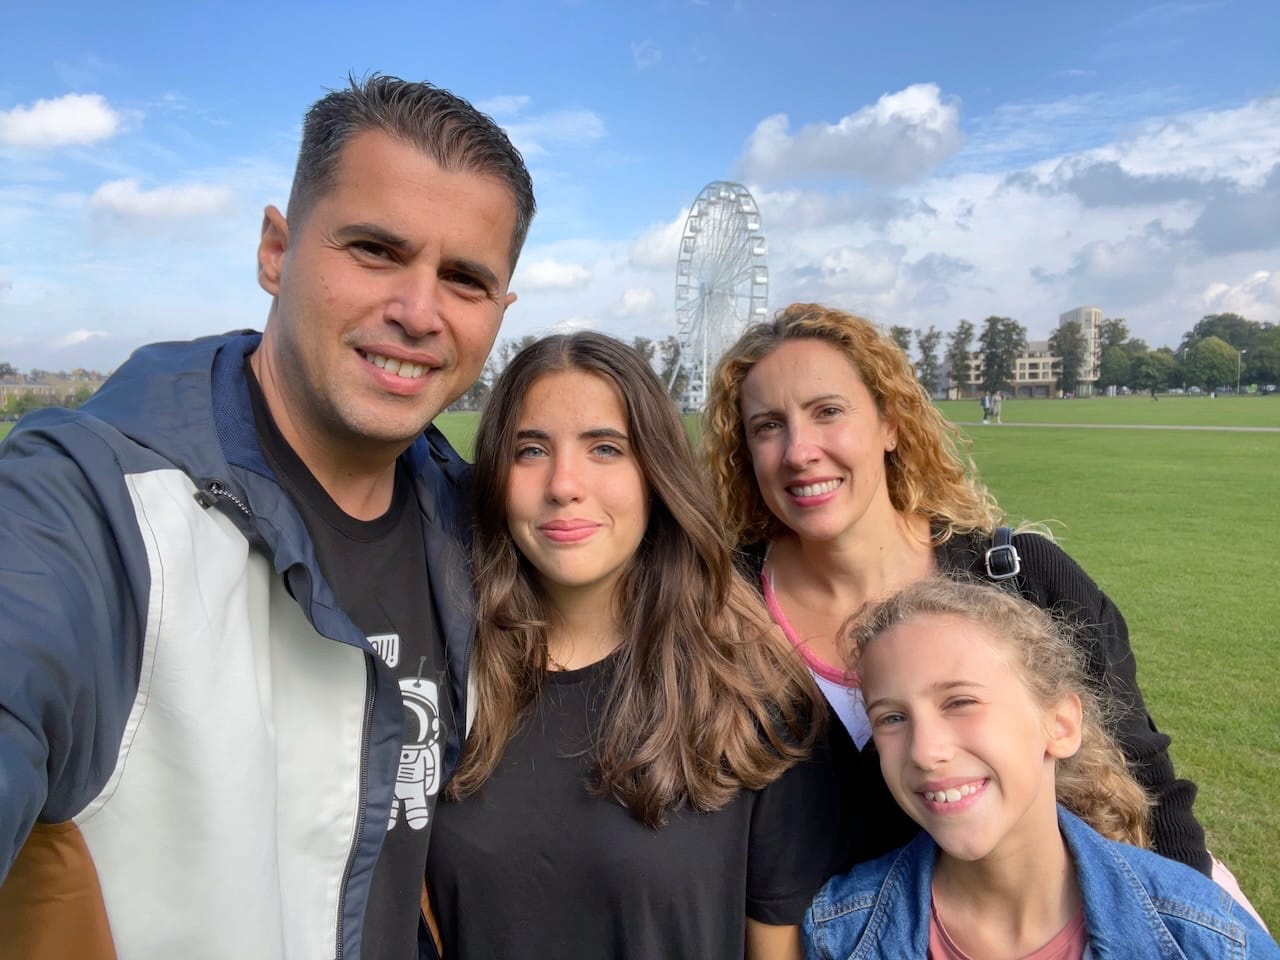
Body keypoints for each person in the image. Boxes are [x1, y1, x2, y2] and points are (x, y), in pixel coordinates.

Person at [0, 75, 534, 959]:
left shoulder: (474, 529)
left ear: (500, 312)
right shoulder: (90, 511)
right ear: (275, 251)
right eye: (375, 250)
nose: (418, 312)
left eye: (465, 279)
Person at [701, 303, 1211, 873]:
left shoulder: (1023, 578)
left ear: (890, 424)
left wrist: (1190, 910)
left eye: (828, 412)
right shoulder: (714, 606)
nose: (799, 451)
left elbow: (1148, 783)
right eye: (768, 426)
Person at [426, 332, 845, 959]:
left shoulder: (753, 694)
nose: (564, 484)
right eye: (531, 450)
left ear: (655, 474)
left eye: (605, 448)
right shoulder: (437, 675)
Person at [803, 577, 1279, 959]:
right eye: (892, 718)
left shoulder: (1204, 936)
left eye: (960, 702)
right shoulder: (840, 932)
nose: (925, 752)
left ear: (1061, 725)